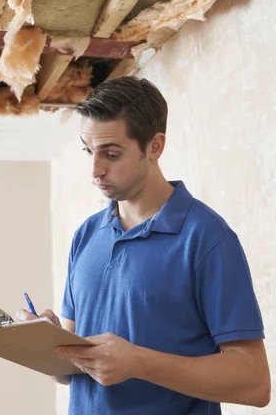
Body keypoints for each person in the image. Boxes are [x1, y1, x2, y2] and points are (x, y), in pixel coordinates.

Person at [17, 77, 271, 414]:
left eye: (111, 154)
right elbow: (71, 373)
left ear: (154, 147)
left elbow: (255, 384)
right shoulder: (86, 236)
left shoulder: (207, 238)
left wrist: (139, 362)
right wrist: (50, 346)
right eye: (88, 151)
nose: (95, 170)